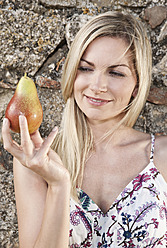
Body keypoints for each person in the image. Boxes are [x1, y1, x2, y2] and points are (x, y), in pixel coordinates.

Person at [2, 11, 167, 248]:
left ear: (136, 85)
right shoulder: (35, 159)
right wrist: (59, 186)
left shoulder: (162, 156)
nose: (97, 86)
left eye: (116, 73)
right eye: (86, 68)